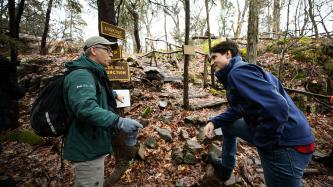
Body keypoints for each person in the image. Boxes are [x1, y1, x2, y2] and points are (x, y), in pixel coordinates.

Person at [204, 41, 315, 187]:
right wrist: (214, 122)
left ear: (228, 54)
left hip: (286, 144)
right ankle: (226, 168)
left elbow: (278, 107)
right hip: (290, 134)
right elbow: (238, 109)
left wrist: (263, 143)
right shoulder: (240, 71)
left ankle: (261, 149)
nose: (211, 63)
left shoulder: (238, 73)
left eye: (214, 57)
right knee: (229, 125)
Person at [62, 36, 142, 187]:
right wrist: (118, 121)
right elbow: (84, 108)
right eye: (107, 50)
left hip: (93, 144)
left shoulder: (92, 74)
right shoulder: (81, 75)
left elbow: (90, 97)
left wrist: (110, 95)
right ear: (93, 50)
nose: (111, 54)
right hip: (86, 148)